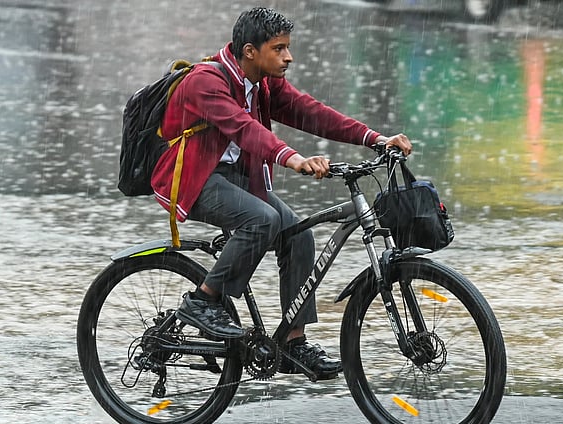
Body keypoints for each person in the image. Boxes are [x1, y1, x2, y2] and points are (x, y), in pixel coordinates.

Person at [150, 7, 413, 380]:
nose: (288, 57)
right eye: (279, 49)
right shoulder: (205, 81)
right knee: (262, 220)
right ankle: (202, 301)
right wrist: (292, 159)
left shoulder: (264, 82)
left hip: (238, 177)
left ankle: (292, 343)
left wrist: (375, 139)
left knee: (299, 233)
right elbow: (244, 129)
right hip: (193, 179)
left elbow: (313, 113)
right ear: (249, 51)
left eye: (288, 47)